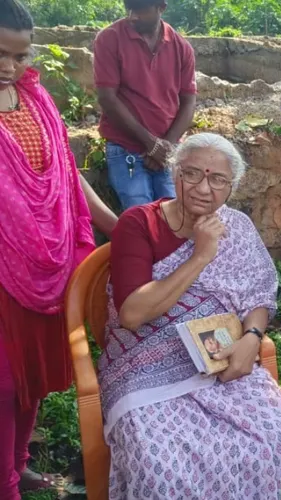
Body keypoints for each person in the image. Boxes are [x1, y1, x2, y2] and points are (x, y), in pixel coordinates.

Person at [100, 133, 281, 499]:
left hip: (220, 362)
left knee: (272, 430)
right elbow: (132, 314)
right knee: (161, 467)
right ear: (175, 175)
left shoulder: (236, 226)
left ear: (231, 186)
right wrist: (201, 255)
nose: (204, 188)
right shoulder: (140, 224)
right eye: (192, 174)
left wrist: (252, 338)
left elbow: (257, 294)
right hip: (146, 371)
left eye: (218, 179)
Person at [0, 1, 118, 497]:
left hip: (49, 263)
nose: (9, 66)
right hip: (4, 272)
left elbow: (66, 175)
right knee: (4, 382)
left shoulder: (37, 99)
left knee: (29, 382)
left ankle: (16, 464)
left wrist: (117, 225)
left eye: (20, 55)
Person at [94, 0, 197, 210]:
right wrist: (151, 143)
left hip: (167, 149)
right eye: (129, 9)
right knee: (140, 215)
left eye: (141, 10)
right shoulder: (110, 39)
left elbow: (188, 101)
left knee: (177, 215)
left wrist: (166, 146)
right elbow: (107, 98)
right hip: (126, 147)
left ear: (162, 8)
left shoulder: (181, 48)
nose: (133, 15)